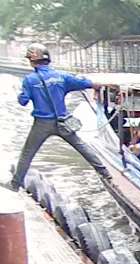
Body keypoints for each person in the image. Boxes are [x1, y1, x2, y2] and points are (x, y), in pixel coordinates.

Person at [9, 43, 109, 190]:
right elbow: (87, 84)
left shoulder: (30, 80)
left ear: (31, 60)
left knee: (27, 154)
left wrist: (18, 92)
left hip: (42, 123)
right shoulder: (62, 76)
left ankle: (15, 185)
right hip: (63, 122)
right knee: (81, 146)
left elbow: (23, 101)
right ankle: (105, 172)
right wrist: (98, 86)